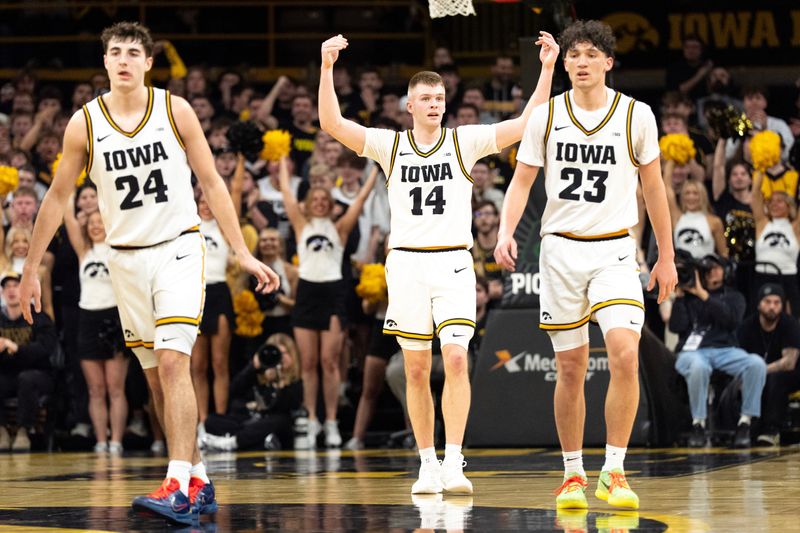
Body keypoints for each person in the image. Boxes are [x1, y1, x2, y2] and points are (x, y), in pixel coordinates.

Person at [18, 22, 278, 526]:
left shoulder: (174, 109)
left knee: (174, 362)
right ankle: (198, 478)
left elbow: (212, 181)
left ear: (148, 62)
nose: (123, 60)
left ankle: (177, 482)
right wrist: (30, 267)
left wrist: (242, 251)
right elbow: (56, 197)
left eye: (133, 52)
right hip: (123, 257)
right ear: (105, 62)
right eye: (114, 52)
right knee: (158, 380)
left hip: (178, 247)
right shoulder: (84, 123)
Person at [319, 30, 558, 495]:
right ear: (409, 107)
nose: (433, 103)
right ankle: (426, 462)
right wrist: (327, 66)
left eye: (439, 97)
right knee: (412, 368)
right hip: (406, 265)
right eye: (425, 98)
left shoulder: (464, 142)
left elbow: (530, 121)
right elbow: (332, 122)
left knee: (455, 359)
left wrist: (547, 69)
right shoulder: (389, 146)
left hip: (453, 263)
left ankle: (454, 460)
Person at [495, 20, 677, 510]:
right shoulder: (545, 116)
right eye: (573, 54)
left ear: (608, 63)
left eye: (590, 54)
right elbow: (522, 182)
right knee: (571, 367)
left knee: (623, 352)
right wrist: (505, 230)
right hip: (559, 251)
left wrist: (666, 254)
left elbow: (654, 187)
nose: (579, 61)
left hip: (616, 248)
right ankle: (573, 473)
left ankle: (614, 470)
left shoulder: (636, 115)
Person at [278, 156, 376, 448]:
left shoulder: (341, 227)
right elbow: (285, 191)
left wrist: (374, 170)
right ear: (308, 202)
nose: (320, 202)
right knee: (307, 363)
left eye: (325, 198)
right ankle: (311, 421)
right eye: (315, 198)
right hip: (307, 292)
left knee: (329, 361)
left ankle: (331, 421)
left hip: (333, 293)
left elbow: (360, 199)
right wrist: (284, 159)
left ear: (331, 203)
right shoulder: (300, 224)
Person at [671, 255, 766, 449]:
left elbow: (730, 320)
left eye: (717, 268)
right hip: (693, 353)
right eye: (708, 269)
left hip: (726, 350)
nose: (713, 272)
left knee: (756, 363)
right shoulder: (687, 298)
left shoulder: (734, 297)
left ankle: (745, 423)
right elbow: (676, 326)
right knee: (698, 366)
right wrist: (680, 298)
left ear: (726, 271)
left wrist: (703, 294)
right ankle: (698, 424)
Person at [63, 192, 128, 454]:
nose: (96, 226)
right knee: (95, 388)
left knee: (115, 387)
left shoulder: (118, 248)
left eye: (101, 222)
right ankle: (101, 440)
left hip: (114, 317)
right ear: (87, 228)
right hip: (87, 318)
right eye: (92, 223)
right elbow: (67, 216)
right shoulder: (84, 251)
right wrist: (67, 183)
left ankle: (117, 442)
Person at [192, 192, 235, 444]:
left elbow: (235, 196)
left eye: (210, 202)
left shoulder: (223, 227)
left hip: (219, 292)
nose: (206, 207)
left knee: (219, 362)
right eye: (202, 203)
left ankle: (218, 421)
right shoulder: (189, 225)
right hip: (195, 292)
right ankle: (201, 423)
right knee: (197, 365)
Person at [0, 272, 57, 452]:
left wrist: (16, 347)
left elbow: (45, 349)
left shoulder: (40, 317)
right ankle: (1, 430)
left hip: (39, 374)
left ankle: (24, 430)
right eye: (6, 287)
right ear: (2, 293)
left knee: (27, 378)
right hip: (9, 373)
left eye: (16, 285)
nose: (11, 290)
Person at [737, 283, 800, 445]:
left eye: (776, 302)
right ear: (759, 304)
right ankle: (743, 427)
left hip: (790, 375)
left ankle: (772, 430)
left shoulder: (789, 324)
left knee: (776, 379)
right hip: (754, 373)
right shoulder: (747, 326)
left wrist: (759, 371)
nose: (772, 307)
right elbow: (738, 358)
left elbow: (789, 363)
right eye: (767, 302)